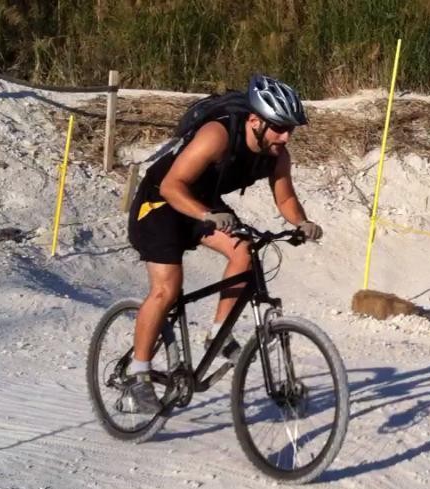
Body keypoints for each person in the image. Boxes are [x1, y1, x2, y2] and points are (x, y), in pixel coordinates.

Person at [124, 74, 322, 413]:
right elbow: (173, 186)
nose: (286, 136)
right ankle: (136, 375)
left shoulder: (277, 153)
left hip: (202, 202)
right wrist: (207, 214)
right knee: (167, 290)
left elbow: (285, 197)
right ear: (255, 120)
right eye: (279, 127)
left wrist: (301, 223)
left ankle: (218, 332)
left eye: (290, 129)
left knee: (244, 249)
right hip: (159, 202)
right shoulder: (217, 136)